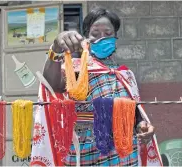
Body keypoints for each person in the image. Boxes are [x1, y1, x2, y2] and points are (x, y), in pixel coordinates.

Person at [43, 8, 155, 166]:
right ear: (87, 38)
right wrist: (55, 48)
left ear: (115, 37)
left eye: (108, 33)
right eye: (95, 34)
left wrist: (142, 125)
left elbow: (133, 110)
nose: (102, 38)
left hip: (124, 153)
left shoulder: (125, 74)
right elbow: (53, 84)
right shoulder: (76, 68)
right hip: (86, 151)